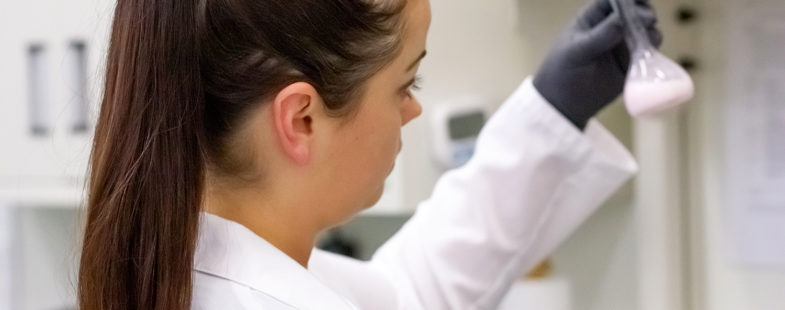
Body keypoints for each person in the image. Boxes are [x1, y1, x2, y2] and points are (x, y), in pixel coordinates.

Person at [77, 0, 661, 309]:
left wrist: (553, 108)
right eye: (405, 85)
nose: (411, 112)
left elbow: (409, 293)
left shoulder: (179, 269)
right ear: (301, 119)